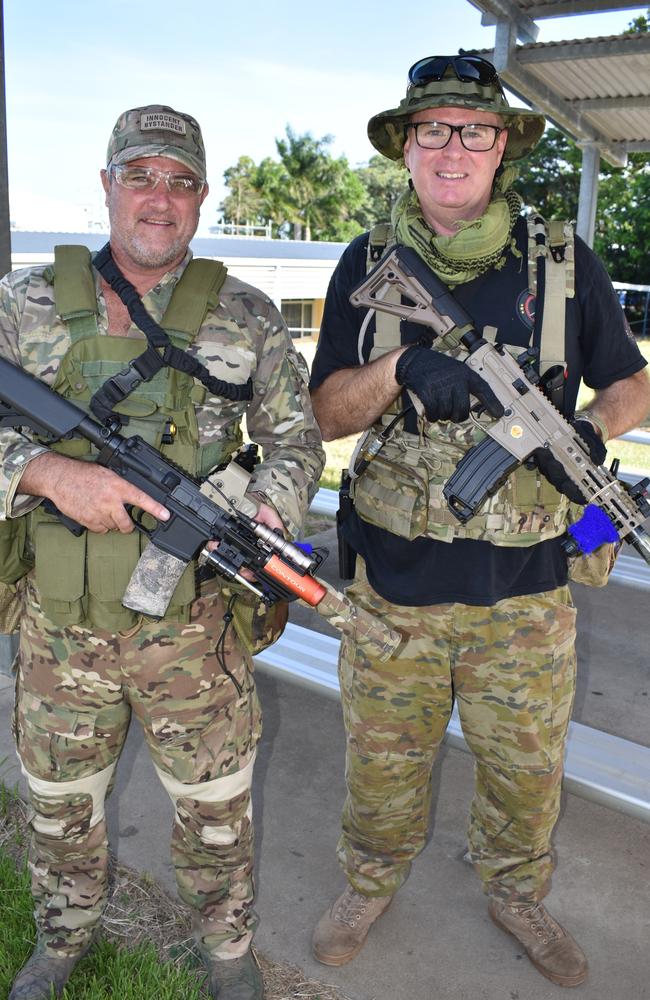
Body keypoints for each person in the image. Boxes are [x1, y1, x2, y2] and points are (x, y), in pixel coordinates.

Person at [309, 55, 650, 989]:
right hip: (393, 595)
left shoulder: (567, 265)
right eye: (434, 130)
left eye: (475, 130)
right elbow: (327, 414)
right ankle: (370, 883)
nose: (454, 148)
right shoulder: (364, 263)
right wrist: (401, 372)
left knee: (526, 776)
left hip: (529, 596)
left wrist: (587, 427)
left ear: (503, 148)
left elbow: (633, 383)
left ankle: (516, 893)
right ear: (407, 147)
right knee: (382, 767)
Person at [0, 104, 324, 1000]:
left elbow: (299, 446)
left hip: (196, 631)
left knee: (217, 811)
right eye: (141, 176)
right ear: (106, 185)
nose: (160, 199)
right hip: (59, 631)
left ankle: (227, 954)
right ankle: (62, 939)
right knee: (59, 807)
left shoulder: (249, 315)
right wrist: (50, 478)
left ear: (202, 196)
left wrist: (257, 511)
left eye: (181, 182)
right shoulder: (24, 304)